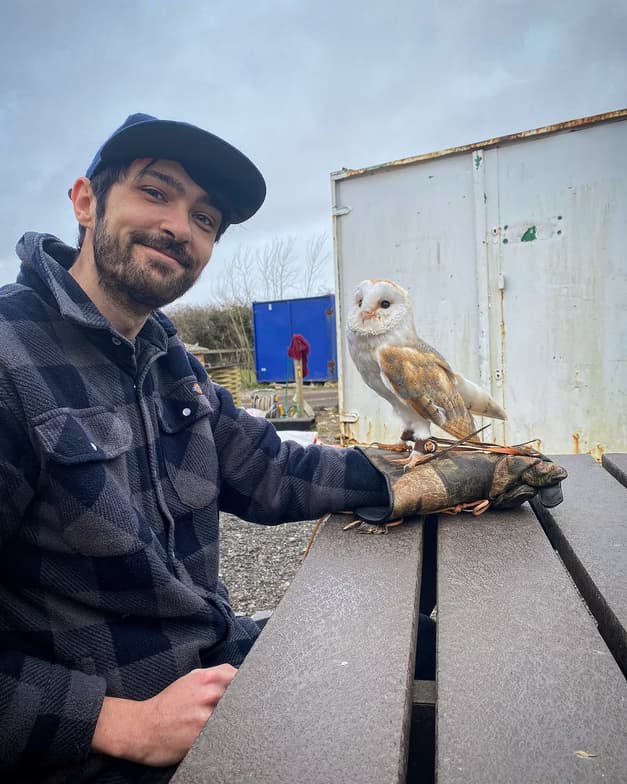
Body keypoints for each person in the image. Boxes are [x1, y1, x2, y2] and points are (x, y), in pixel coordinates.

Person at [0, 113, 566, 783]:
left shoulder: (165, 356)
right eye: (155, 192)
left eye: (205, 219)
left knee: (474, 670)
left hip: (211, 664)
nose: (181, 227)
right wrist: (115, 723)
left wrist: (423, 477)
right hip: (101, 740)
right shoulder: (12, 362)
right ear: (86, 201)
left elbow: (269, 470)